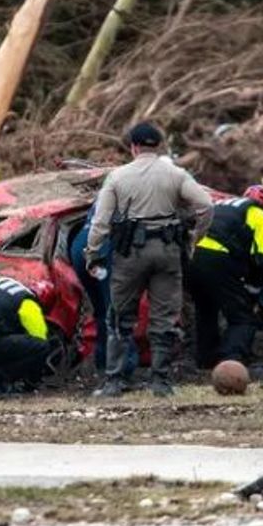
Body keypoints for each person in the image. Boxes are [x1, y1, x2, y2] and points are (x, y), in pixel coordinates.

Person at [85, 123, 212, 398]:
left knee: (120, 316)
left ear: (133, 147)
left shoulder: (118, 177)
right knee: (164, 318)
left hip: (129, 254)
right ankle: (161, 382)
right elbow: (207, 205)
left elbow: (100, 222)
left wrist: (92, 252)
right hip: (167, 251)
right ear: (159, 146)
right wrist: (193, 238)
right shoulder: (176, 174)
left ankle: (114, 381)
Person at [187, 185, 263, 368]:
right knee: (242, 318)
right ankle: (231, 360)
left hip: (192, 258)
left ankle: (205, 361)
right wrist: (255, 289)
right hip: (218, 259)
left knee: (206, 312)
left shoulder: (221, 205)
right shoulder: (259, 214)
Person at [69, 203, 138, 380]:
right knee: (117, 310)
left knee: (102, 310)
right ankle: (122, 370)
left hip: (81, 246)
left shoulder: (111, 189)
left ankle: (104, 364)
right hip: (103, 246)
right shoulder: (137, 190)